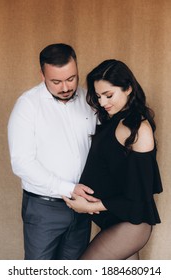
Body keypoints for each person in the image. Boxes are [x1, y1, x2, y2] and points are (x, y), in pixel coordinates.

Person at [63, 59, 163, 260]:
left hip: (131, 225)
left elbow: (139, 197)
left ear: (128, 88)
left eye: (109, 95)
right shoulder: (111, 120)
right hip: (114, 220)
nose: (102, 102)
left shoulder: (139, 130)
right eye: (98, 96)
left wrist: (90, 207)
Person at [7, 43, 97, 260]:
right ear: (42, 75)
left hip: (82, 209)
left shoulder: (90, 101)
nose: (65, 87)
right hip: (43, 209)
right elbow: (21, 162)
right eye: (56, 81)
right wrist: (68, 188)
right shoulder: (27, 105)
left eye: (71, 78)